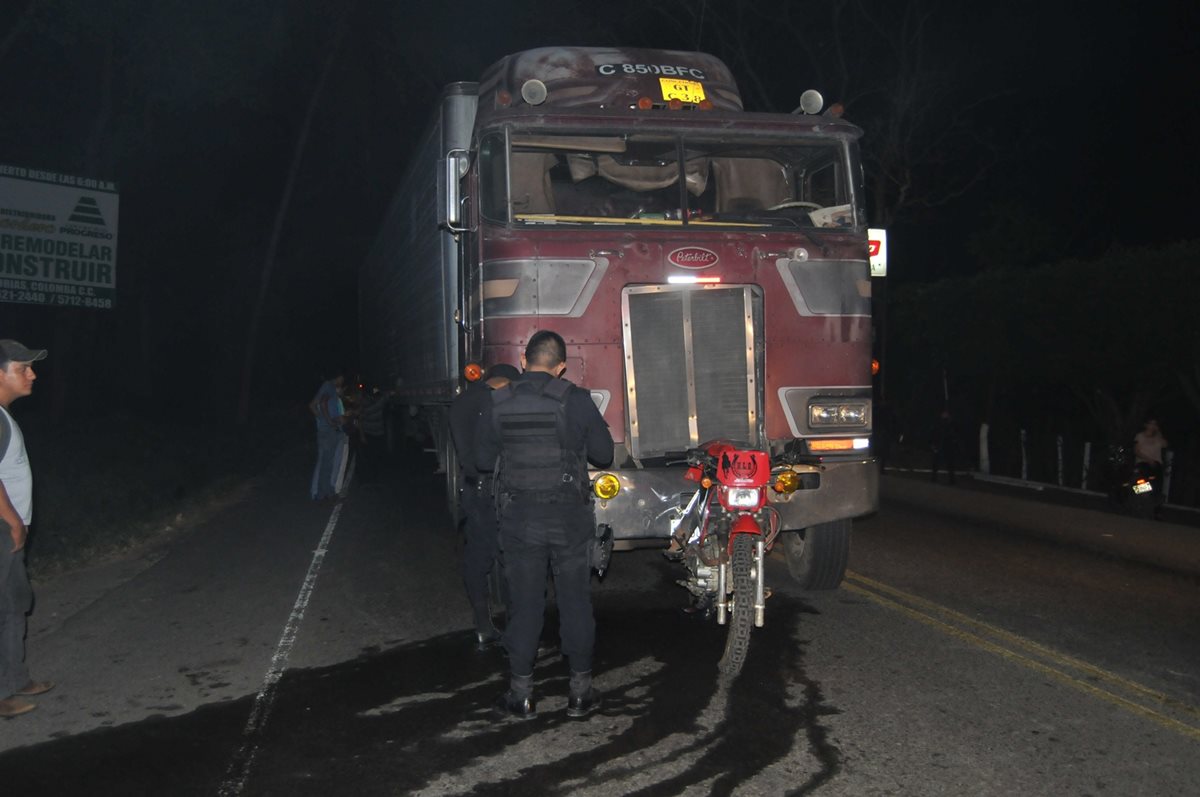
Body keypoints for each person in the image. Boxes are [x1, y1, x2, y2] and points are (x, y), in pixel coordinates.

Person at [476, 331, 613, 720]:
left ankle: (521, 696)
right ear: (561, 367)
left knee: (525, 605)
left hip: (520, 519)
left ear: (524, 359)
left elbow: (484, 462)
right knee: (575, 602)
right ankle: (581, 694)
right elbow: (604, 455)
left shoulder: (498, 401)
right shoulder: (576, 399)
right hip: (569, 518)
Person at [0, 340, 55, 719]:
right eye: (22, 368)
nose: (32, 374)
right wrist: (12, 520)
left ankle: (16, 680)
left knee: (16, 604)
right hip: (3, 528)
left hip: (8, 531)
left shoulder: (4, 417)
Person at [449, 363, 520, 650]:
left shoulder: (461, 402)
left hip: (472, 488)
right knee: (510, 557)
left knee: (477, 557)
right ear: (504, 382)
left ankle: (482, 625)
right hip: (495, 488)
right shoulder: (500, 403)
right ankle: (516, 632)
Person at [309, 371, 346, 501]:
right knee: (326, 465)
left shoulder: (329, 388)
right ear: (338, 376)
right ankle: (320, 495)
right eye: (342, 378)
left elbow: (313, 406)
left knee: (328, 464)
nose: (343, 381)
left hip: (329, 431)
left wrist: (323, 420)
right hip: (328, 432)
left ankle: (327, 492)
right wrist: (328, 422)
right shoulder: (328, 386)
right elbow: (321, 403)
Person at [1133, 418, 1169, 514]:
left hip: (1156, 464)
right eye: (1150, 424)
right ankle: (1137, 502)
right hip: (1143, 463)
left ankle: (1156, 509)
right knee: (1142, 484)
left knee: (1157, 485)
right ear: (1146, 425)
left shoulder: (1157, 437)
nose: (1152, 426)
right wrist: (1148, 459)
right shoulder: (1140, 436)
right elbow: (1136, 451)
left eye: (1154, 424)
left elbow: (1165, 444)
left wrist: (1159, 432)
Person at [930, 408, 957, 485]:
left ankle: (952, 480)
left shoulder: (950, 423)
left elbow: (953, 434)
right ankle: (933, 478)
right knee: (936, 463)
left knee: (950, 464)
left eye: (946, 413)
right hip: (939, 445)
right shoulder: (938, 423)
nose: (944, 414)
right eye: (943, 413)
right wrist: (933, 444)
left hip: (948, 446)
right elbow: (934, 433)